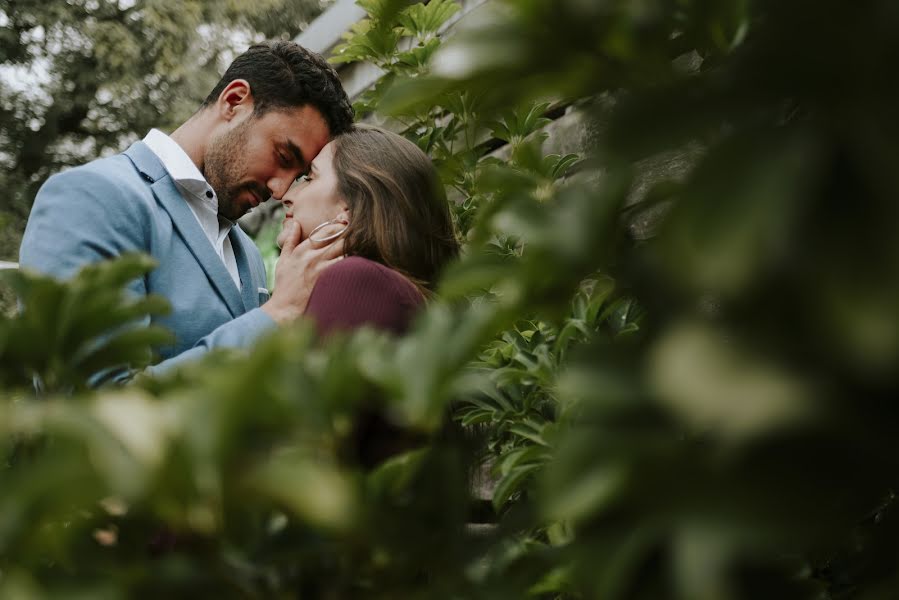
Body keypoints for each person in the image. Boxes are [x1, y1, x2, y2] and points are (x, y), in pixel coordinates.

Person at [18, 41, 354, 376]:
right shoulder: (92, 196)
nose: (280, 190)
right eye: (283, 156)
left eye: (299, 176)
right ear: (234, 101)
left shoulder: (249, 255)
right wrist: (276, 313)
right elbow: (88, 407)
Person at [276, 125, 460, 337]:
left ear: (351, 206)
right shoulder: (388, 287)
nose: (286, 196)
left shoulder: (354, 279)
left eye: (309, 178)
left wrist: (280, 307)